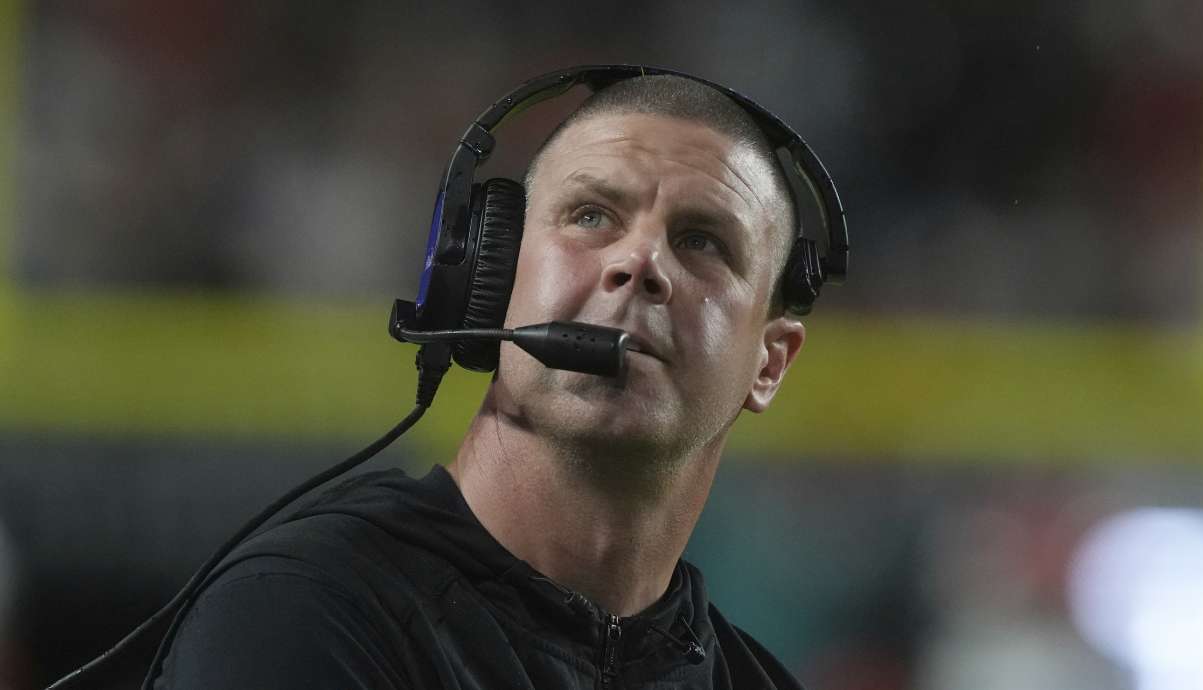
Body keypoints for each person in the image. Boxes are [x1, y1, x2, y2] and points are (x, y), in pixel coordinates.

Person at [150, 72, 811, 689]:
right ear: (488, 282)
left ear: (770, 362)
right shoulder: (300, 609)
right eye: (591, 215)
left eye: (702, 241)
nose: (639, 262)